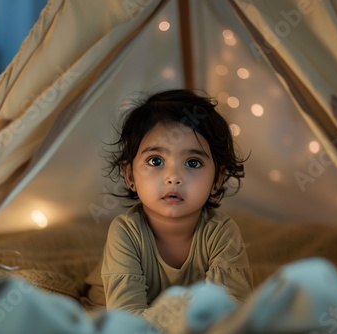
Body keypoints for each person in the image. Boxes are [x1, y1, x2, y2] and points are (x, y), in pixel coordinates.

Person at [82, 89, 252, 316]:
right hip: (110, 311)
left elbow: (233, 312)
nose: (173, 177)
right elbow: (127, 320)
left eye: (192, 163)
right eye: (156, 160)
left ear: (217, 178)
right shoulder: (126, 232)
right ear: (130, 175)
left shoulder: (222, 234)